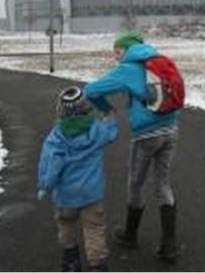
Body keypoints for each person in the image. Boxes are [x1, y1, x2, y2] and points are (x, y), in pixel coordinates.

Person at [84, 31, 181, 263]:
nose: (116, 57)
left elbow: (90, 91)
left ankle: (130, 235)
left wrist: (107, 109)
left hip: (147, 135)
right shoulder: (159, 61)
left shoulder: (128, 68)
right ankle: (169, 246)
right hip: (171, 129)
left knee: (136, 184)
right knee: (163, 183)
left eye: (118, 51)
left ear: (127, 50)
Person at [38, 86, 118, 272]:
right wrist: (110, 116)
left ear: (60, 111)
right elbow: (110, 132)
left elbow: (50, 165)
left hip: (66, 196)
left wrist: (44, 185)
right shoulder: (96, 130)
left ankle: (71, 261)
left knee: (66, 225)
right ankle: (97, 265)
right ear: (86, 107)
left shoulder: (56, 137)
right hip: (92, 194)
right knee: (94, 229)